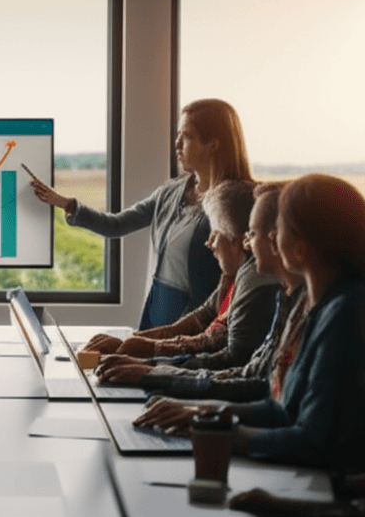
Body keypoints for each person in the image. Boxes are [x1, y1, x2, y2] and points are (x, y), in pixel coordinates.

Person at [133, 174, 365, 475]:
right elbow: (278, 407)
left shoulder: (344, 313)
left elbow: (313, 440)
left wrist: (216, 430)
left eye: (278, 230)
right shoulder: (316, 305)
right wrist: (208, 415)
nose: (268, 239)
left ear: (299, 249)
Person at [31, 99, 254, 329]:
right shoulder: (170, 192)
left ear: (213, 145)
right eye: (178, 134)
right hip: (158, 309)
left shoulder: (239, 203)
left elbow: (241, 279)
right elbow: (116, 225)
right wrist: (64, 203)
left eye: (187, 136)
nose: (177, 143)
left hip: (200, 322)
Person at [100, 183, 308, 401]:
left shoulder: (258, 284)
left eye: (253, 234)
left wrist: (154, 366)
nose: (209, 243)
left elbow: (240, 367)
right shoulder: (247, 279)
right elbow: (206, 322)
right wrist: (144, 354)